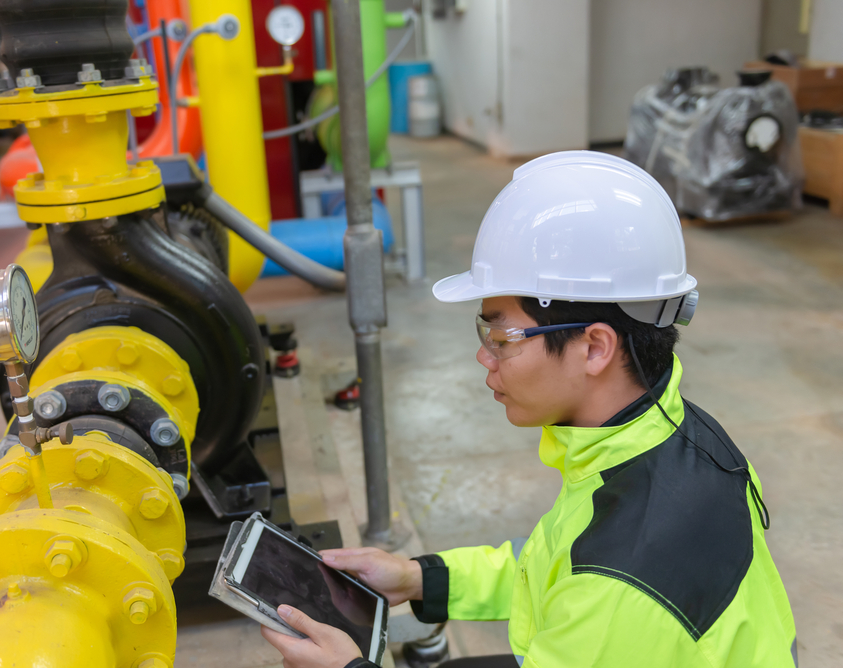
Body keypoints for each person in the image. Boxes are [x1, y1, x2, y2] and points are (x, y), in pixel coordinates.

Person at [260, 152, 797, 668]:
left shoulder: (624, 576)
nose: (483, 355)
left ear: (594, 347)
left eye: (502, 335)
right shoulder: (667, 435)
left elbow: (597, 586)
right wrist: (420, 577)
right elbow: (553, 567)